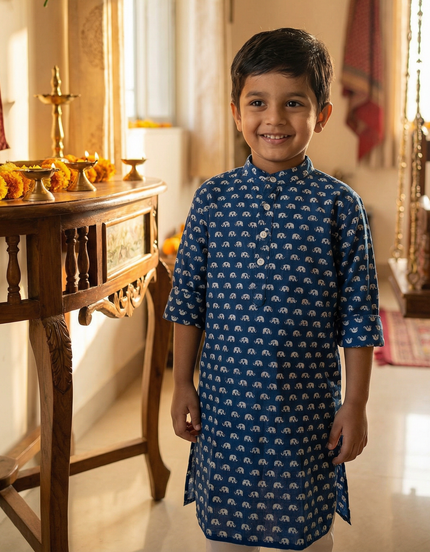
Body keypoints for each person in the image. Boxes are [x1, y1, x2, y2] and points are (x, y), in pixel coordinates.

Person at [164, 28, 384, 552]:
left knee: (307, 534)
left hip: (305, 411)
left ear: (322, 115)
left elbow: (359, 316)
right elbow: (187, 300)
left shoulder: (339, 207)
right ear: (236, 112)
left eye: (294, 103)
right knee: (228, 536)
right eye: (257, 102)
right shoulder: (212, 201)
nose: (274, 119)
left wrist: (355, 404)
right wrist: (180, 384)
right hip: (225, 410)